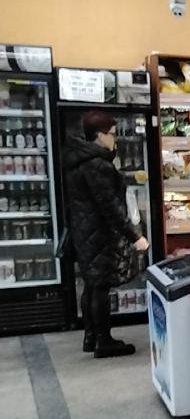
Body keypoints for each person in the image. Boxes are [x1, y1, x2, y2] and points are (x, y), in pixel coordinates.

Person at [63, 111, 148, 357]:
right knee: (100, 286)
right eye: (112, 134)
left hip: (83, 230)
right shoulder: (97, 165)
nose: (115, 139)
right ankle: (104, 341)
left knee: (91, 284)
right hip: (98, 232)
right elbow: (109, 207)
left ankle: (91, 337)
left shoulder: (78, 159)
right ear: (100, 135)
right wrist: (135, 236)